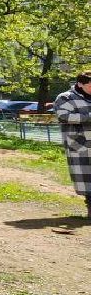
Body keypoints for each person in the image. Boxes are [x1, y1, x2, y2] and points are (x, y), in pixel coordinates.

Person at [53, 71, 91, 217]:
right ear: (80, 84)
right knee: (87, 181)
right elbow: (63, 116)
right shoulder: (65, 97)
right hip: (80, 145)